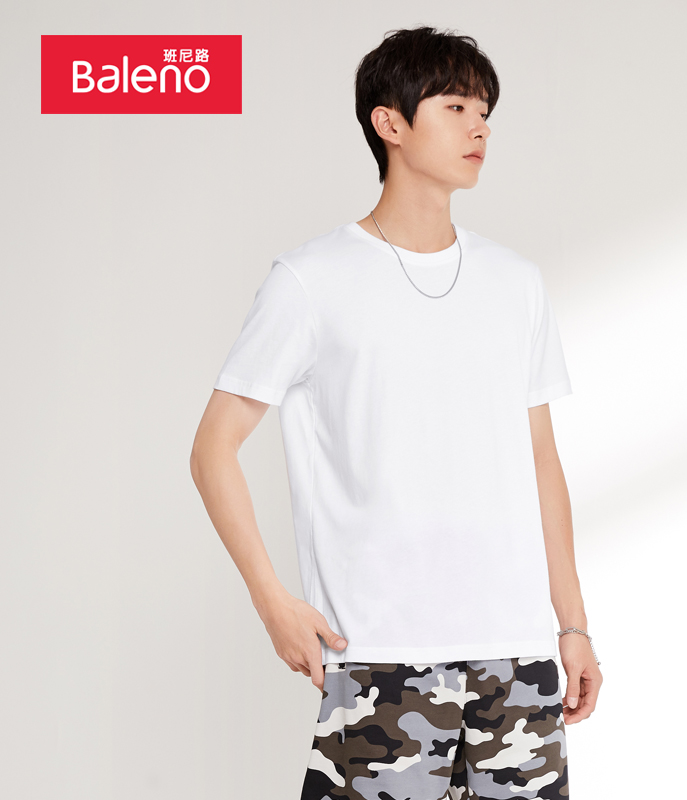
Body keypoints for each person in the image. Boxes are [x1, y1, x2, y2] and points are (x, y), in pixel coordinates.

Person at [190, 24, 602, 800]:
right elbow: (213, 448)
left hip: (517, 660)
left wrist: (572, 625)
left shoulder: (515, 283)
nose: (480, 128)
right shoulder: (311, 280)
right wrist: (273, 602)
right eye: (456, 107)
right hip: (380, 658)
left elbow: (541, 462)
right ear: (390, 123)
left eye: (485, 112)